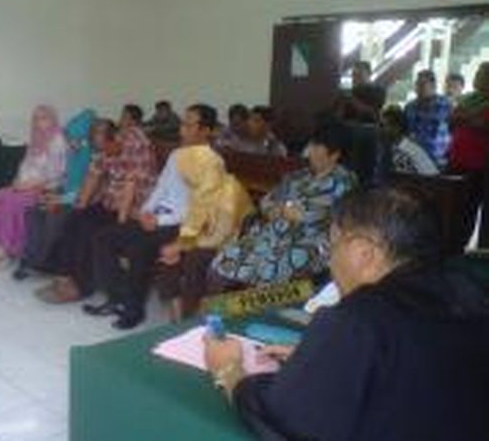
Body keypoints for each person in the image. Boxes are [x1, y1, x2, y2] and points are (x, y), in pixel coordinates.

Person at [204, 187, 489, 441]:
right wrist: (326, 359)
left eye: (332, 245)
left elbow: (287, 421)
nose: (329, 260)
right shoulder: (470, 292)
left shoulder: (356, 320)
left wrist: (230, 372)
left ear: (365, 253)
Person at [87, 104, 254, 329]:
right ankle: (117, 298)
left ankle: (133, 310)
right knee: (103, 238)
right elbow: (161, 188)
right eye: (182, 123)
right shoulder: (177, 154)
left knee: (138, 246)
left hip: (182, 225)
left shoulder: (213, 164)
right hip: (157, 217)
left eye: (188, 124)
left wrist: (160, 221)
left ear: (206, 131)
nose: (182, 129)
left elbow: (200, 209)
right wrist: (147, 211)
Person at [210, 123, 357, 287]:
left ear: (334, 154)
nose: (309, 152)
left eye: (317, 147)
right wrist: (282, 209)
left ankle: (257, 307)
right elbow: (267, 201)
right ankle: (220, 308)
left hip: (308, 242)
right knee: (224, 259)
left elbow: (307, 215)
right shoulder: (299, 175)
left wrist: (280, 209)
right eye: (311, 145)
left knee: (268, 269)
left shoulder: (342, 181)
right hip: (273, 233)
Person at [35, 113, 157, 304]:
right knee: (74, 221)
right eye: (98, 149)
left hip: (135, 207)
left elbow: (130, 188)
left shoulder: (136, 144)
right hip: (111, 200)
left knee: (90, 231)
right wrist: (80, 207)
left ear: (116, 137)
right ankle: (64, 277)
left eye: (105, 149)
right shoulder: (101, 147)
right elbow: (92, 176)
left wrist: (121, 223)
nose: (103, 154)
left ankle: (82, 287)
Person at [0, 105, 67, 272]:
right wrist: (16, 181)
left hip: (45, 189)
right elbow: (24, 165)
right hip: (24, 186)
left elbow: (55, 175)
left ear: (52, 120)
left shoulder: (58, 141)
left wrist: (26, 186)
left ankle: (6, 251)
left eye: (43, 118)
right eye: (36, 118)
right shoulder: (35, 138)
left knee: (10, 203)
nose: (38, 122)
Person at [13, 109, 97, 281]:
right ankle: (31, 260)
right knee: (34, 212)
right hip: (65, 195)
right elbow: (63, 179)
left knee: (52, 216)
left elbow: (87, 189)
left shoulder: (91, 156)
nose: (70, 142)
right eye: (69, 137)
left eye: (76, 138)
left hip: (83, 201)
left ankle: (40, 263)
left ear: (87, 138)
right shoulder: (72, 153)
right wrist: (51, 193)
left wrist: (59, 199)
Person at [449, 62, 489, 249]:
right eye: (478, 71)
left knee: (469, 209)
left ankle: (467, 250)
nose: (477, 75)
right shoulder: (468, 99)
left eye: (482, 73)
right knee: (454, 207)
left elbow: (481, 124)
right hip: (456, 159)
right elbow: (452, 120)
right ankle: (452, 247)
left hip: (479, 165)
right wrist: (467, 118)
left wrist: (465, 118)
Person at [403, 69, 452, 168]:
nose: (417, 88)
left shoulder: (446, 104)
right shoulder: (409, 106)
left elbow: (454, 130)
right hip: (413, 158)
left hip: (437, 158)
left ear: (433, 86)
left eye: (422, 84)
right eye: (417, 84)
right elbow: (406, 131)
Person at [380, 105, 439, 176]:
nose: (380, 129)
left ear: (397, 127)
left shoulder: (401, 153)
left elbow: (403, 182)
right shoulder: (410, 146)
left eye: (383, 125)